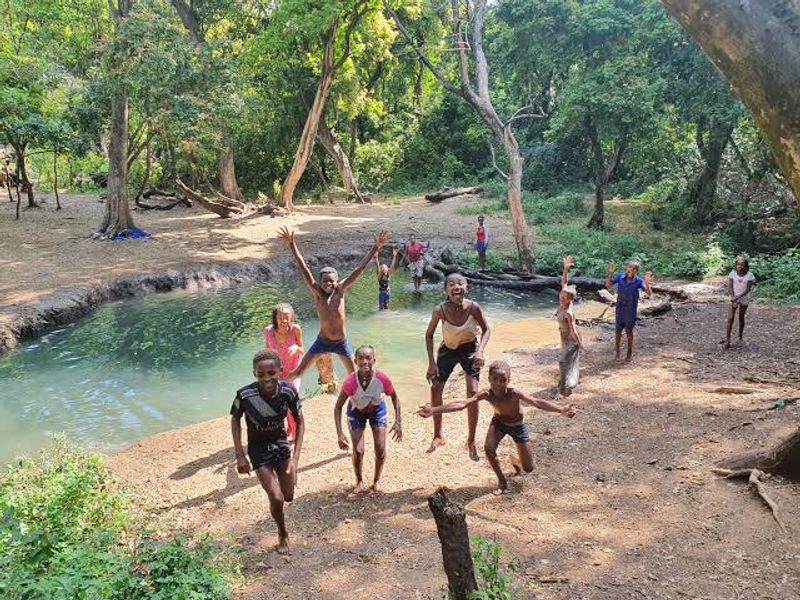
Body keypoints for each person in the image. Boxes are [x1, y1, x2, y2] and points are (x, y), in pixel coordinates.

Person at [417, 360, 575, 494]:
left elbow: (536, 402)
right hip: (499, 423)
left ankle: (517, 461)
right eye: (495, 379)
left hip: (517, 425)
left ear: (508, 380)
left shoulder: (514, 393)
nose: (498, 384)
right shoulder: (486, 394)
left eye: (503, 380)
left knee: (528, 468)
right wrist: (434, 410)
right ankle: (502, 481)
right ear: (489, 379)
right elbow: (462, 404)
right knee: (489, 448)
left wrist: (560, 409)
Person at [278, 226, 389, 377]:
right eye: (324, 282)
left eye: (331, 282)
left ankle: (362, 399)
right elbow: (303, 268)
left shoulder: (340, 290)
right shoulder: (317, 293)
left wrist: (375, 248)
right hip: (322, 341)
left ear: (337, 282)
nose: (328, 285)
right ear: (320, 282)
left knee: (356, 376)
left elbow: (359, 269)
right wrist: (292, 245)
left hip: (341, 342)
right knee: (298, 372)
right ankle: (280, 389)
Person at [231, 349, 304, 555]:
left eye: (271, 373)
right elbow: (235, 419)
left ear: (280, 371)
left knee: (288, 495)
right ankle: (282, 534)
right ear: (254, 373)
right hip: (258, 449)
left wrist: (295, 459)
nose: (267, 378)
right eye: (261, 374)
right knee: (277, 497)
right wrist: (239, 454)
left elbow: (300, 421)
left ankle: (283, 490)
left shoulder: (289, 392)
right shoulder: (245, 395)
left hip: (280, 444)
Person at [424, 272, 491, 460]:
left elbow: (486, 329)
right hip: (448, 349)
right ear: (446, 290)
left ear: (466, 287)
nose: (457, 287)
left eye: (460, 283)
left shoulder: (473, 308)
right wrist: (431, 363)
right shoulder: (440, 310)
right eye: (451, 284)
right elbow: (428, 335)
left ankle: (470, 440)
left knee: (473, 391)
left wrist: (480, 352)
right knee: (436, 388)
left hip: (470, 348)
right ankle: (438, 435)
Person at [334, 345, 402, 495]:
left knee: (380, 448)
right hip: (356, 412)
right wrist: (340, 433)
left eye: (368, 358)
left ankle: (376, 480)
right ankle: (359, 481)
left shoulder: (382, 379)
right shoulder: (350, 382)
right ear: (355, 361)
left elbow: (395, 397)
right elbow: (338, 407)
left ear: (374, 360)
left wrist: (398, 422)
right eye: (361, 358)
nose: (365, 362)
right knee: (358, 451)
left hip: (377, 410)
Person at [264, 303, 304, 441]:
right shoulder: (268, 331)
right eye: (280, 316)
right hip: (277, 373)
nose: (284, 319)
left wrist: (296, 347)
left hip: (293, 371)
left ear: (291, 317)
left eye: (287, 316)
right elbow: (267, 350)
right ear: (275, 318)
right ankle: (289, 428)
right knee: (281, 404)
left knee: (291, 400)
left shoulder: (296, 329)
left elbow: (302, 349)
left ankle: (296, 433)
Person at [605, 260, 653, 362]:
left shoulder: (639, 281)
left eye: (633, 268)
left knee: (629, 331)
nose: (631, 269)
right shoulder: (620, 277)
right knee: (618, 331)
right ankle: (617, 353)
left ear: (636, 271)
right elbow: (608, 285)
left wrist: (647, 283)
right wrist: (611, 273)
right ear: (626, 268)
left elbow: (649, 293)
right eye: (629, 267)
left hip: (630, 310)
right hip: (620, 309)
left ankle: (629, 353)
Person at [557, 255, 582, 397]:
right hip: (563, 336)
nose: (562, 297)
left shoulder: (568, 312)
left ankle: (563, 388)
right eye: (562, 295)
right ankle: (565, 381)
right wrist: (565, 269)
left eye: (566, 298)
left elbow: (572, 329)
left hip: (572, 338)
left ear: (570, 300)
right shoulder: (563, 297)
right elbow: (564, 283)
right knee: (566, 361)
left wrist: (579, 344)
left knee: (562, 361)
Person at [724, 255, 755, 349]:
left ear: (746, 266)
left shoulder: (750, 275)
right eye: (738, 264)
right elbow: (730, 286)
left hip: (744, 297)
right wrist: (733, 296)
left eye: (742, 264)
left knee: (741, 317)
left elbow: (748, 289)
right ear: (735, 265)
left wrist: (738, 297)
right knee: (730, 318)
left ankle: (740, 337)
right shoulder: (732, 273)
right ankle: (728, 340)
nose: (740, 266)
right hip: (733, 297)